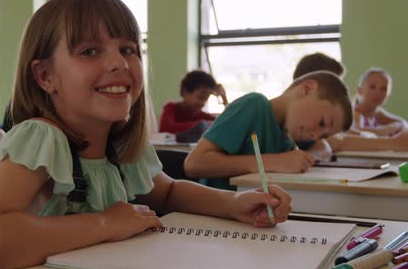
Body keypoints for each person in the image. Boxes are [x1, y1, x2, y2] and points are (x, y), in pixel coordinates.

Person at [0, 0, 292, 269]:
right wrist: (102, 224)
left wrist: (233, 203)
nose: (119, 63)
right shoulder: (43, 138)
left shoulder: (118, 145)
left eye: (128, 49)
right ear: (45, 77)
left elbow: (168, 193)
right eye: (89, 51)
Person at [184, 71, 353, 190]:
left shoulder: (287, 139)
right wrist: (272, 162)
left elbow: (322, 147)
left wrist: (306, 158)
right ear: (307, 88)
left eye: (323, 134)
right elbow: (194, 164)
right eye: (322, 122)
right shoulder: (254, 105)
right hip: (211, 220)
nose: (315, 135)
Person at [158, 70, 227, 135]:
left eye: (206, 99)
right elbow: (165, 128)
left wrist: (224, 100)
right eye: (200, 97)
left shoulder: (201, 115)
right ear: (185, 92)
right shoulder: (171, 108)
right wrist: (201, 125)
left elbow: (224, 125)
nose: (202, 103)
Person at [350, 67, 407, 137]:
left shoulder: (378, 113)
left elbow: (402, 123)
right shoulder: (355, 113)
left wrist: (397, 126)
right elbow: (358, 132)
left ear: (388, 95)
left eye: (383, 89)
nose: (378, 93)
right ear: (360, 91)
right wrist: (388, 129)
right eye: (372, 87)